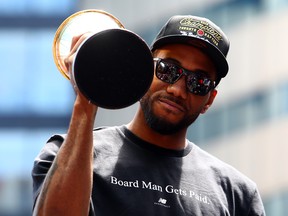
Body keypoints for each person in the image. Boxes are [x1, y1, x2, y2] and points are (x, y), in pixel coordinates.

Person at [32, 14, 266, 216]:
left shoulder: (237, 193)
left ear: (209, 100)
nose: (177, 89)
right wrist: (87, 98)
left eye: (198, 82)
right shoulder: (65, 153)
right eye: (168, 69)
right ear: (146, 69)